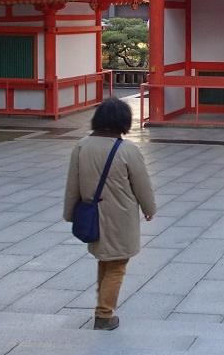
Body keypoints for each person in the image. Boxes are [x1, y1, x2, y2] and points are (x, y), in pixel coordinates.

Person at [63, 98, 156, 331]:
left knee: (106, 259)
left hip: (93, 214)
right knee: (117, 264)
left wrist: (70, 212)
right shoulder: (128, 150)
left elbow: (72, 183)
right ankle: (104, 315)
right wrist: (149, 209)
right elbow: (142, 185)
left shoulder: (82, 146)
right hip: (120, 216)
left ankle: (102, 307)